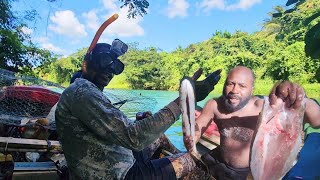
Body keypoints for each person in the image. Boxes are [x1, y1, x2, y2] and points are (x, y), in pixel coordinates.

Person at [54, 40, 221, 179]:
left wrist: (138, 123)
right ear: (86, 64)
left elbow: (117, 130)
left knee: (159, 138)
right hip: (118, 175)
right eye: (104, 61)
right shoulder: (82, 91)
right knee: (194, 160)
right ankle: (180, 161)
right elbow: (134, 137)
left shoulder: (87, 92)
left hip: (116, 160)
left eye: (115, 67)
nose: (110, 70)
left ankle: (175, 156)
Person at [188, 66, 320, 180]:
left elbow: (316, 121)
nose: (234, 90)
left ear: (252, 89)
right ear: (224, 85)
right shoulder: (214, 105)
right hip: (216, 162)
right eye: (230, 83)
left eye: (242, 86)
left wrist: (302, 100)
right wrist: (191, 138)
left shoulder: (263, 106)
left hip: (249, 173)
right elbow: (197, 129)